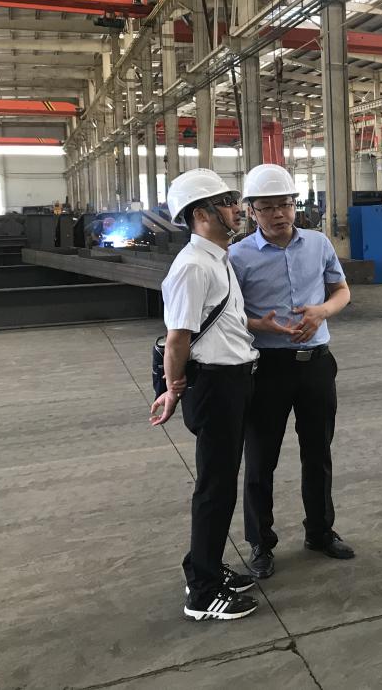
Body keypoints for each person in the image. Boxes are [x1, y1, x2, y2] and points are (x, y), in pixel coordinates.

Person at [229, 163, 353, 580]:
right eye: (267, 208)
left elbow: (342, 290)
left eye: (285, 204)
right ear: (251, 211)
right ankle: (260, 543)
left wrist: (322, 312)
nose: (279, 214)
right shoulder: (237, 257)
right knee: (260, 459)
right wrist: (259, 325)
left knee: (318, 452)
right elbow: (226, 315)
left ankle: (320, 531)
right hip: (266, 369)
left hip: (316, 365)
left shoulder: (318, 244)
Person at [149, 168, 260, 621]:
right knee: (215, 488)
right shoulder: (193, 266)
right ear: (201, 214)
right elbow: (178, 338)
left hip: (232, 381)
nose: (237, 208)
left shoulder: (217, 258)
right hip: (214, 386)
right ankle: (203, 593)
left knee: (222, 482)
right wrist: (172, 390)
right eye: (227, 202)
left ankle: (205, 565)